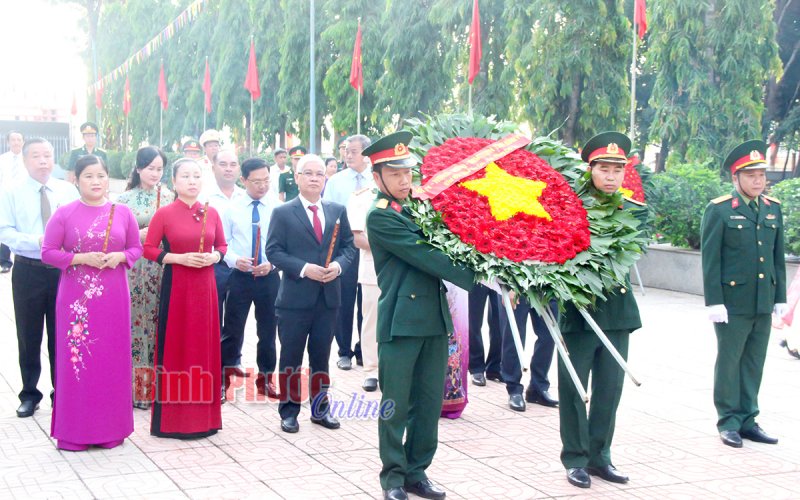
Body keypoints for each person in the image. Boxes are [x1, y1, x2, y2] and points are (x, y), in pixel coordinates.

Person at [365, 131, 480, 500]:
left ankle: (418, 473)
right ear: (377, 177)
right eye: (394, 174)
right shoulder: (380, 217)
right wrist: (483, 274)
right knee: (395, 405)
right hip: (400, 323)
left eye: (407, 173)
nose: (403, 180)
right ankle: (393, 478)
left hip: (433, 321)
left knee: (429, 405)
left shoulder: (421, 208)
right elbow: (429, 255)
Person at [558, 132, 645, 489]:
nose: (610, 176)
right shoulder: (571, 208)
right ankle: (575, 458)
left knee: (609, 390)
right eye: (603, 169)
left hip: (618, 314)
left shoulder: (633, 211)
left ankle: (600, 456)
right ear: (589, 169)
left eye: (616, 170)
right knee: (575, 388)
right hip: (579, 314)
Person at [41, 155, 142, 450]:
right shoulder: (65, 213)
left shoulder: (123, 212)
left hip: (114, 298)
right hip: (77, 301)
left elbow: (136, 247)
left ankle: (111, 430)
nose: (96, 182)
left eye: (100, 176)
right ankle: (75, 433)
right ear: (76, 179)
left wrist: (120, 257)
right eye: (88, 176)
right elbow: (48, 252)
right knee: (78, 363)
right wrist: (79, 258)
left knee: (111, 360)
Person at [701, 140, 787, 449]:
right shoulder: (720, 209)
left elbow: (777, 256)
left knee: (753, 361)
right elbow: (711, 260)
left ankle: (749, 418)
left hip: (763, 299)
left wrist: (780, 298)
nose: (758, 181)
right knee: (730, 361)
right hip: (732, 303)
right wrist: (714, 301)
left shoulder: (772, 209)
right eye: (751, 175)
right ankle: (728, 421)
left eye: (762, 175)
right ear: (735, 178)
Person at [265, 153, 355, 434]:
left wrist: (338, 267)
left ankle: (320, 409)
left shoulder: (337, 210)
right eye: (309, 173)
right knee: (291, 356)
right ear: (297, 177)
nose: (315, 178)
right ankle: (289, 411)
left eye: (320, 174)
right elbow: (273, 251)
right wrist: (304, 268)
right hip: (294, 299)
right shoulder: (283, 212)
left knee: (321, 355)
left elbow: (349, 247)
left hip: (328, 298)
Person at [143, 158, 227, 439]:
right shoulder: (164, 213)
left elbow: (223, 245)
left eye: (196, 176)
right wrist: (179, 258)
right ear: (174, 181)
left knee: (204, 348)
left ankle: (205, 419)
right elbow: (148, 248)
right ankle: (174, 421)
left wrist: (215, 256)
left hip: (206, 288)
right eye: (185, 176)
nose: (192, 181)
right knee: (177, 347)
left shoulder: (211, 213)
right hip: (177, 287)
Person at [0, 138, 79, 418]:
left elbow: (77, 227)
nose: (43, 161)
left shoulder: (67, 190)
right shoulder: (11, 192)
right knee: (28, 334)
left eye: (47, 155)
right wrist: (38, 240)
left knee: (64, 334)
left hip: (63, 272)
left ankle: (63, 391)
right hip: (28, 270)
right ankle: (30, 394)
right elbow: (5, 232)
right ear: (25, 160)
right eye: (37, 156)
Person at [116, 147, 173, 409]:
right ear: (138, 169)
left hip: (166, 268)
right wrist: (142, 234)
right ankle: (139, 390)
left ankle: (163, 389)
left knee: (163, 324)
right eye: (150, 168)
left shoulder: (172, 197)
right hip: (137, 271)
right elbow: (116, 237)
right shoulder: (124, 200)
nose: (155, 173)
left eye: (159, 169)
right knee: (138, 327)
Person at [221, 158, 281, 400]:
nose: (262, 186)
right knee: (232, 330)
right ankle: (222, 380)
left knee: (268, 331)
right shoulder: (231, 208)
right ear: (243, 180)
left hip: (269, 277)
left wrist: (273, 264)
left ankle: (265, 380)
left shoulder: (278, 207)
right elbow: (223, 244)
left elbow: (285, 245)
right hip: (240, 277)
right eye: (256, 181)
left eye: (266, 180)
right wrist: (236, 260)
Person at [324, 134, 372, 370]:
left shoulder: (377, 178)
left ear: (366, 152)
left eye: (353, 151)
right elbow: (327, 213)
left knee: (368, 299)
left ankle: (365, 348)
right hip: (345, 247)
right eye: (345, 151)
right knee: (343, 299)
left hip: (372, 248)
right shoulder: (336, 181)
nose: (348, 155)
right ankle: (344, 351)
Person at [201, 148, 246, 356]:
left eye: (233, 165)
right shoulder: (203, 196)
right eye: (223, 164)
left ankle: (231, 360)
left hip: (240, 267)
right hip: (214, 265)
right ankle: (212, 361)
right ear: (213, 167)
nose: (228, 169)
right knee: (212, 317)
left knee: (236, 318)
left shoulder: (245, 196)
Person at [346, 183, 379, 391]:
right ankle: (372, 371)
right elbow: (358, 238)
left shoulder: (409, 193)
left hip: (404, 270)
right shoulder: (362, 197)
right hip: (373, 270)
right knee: (371, 322)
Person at [502, 298, 558, 411]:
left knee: (549, 335)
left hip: (545, 285)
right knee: (515, 335)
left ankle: (538, 387)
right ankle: (514, 389)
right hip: (517, 284)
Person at [0, 130, 26, 273]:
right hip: (6, 197)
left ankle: (24, 258)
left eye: (19, 139)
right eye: (13, 140)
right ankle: (5, 262)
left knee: (22, 227)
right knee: (6, 227)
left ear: (23, 142)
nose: (16, 142)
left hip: (23, 197)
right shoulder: (2, 159)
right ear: (8, 142)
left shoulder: (28, 158)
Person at [468, 285, 504, 385]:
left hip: (500, 273)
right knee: (473, 322)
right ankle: (476, 367)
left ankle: (495, 366)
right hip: (476, 273)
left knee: (500, 323)